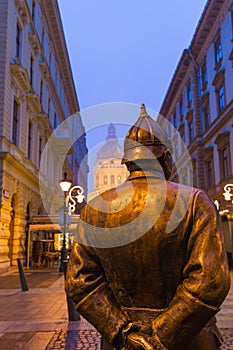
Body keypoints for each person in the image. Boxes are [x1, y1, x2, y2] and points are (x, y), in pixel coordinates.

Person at [66, 104, 230, 350]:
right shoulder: (194, 201)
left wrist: (123, 333)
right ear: (165, 158)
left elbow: (79, 280)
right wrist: (161, 336)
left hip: (121, 344)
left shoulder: (95, 209)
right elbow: (211, 281)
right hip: (189, 340)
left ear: (127, 163)